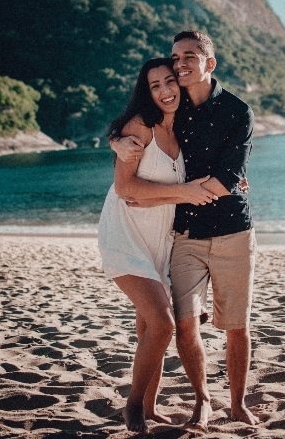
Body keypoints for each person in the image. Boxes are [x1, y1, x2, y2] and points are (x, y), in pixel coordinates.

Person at [111, 31, 259, 430]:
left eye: (188, 57)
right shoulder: (173, 109)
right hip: (185, 235)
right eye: (175, 58)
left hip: (231, 231)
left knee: (236, 324)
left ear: (209, 63)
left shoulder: (237, 111)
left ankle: (238, 403)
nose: (179, 66)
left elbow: (229, 176)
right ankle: (202, 401)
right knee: (183, 323)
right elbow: (135, 127)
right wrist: (114, 140)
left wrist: (191, 193)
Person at [98, 57, 218, 434]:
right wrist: (183, 193)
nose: (166, 90)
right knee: (163, 324)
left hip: (159, 239)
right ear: (146, 92)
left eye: (170, 81)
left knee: (148, 324)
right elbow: (125, 188)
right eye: (155, 85)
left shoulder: (181, 128)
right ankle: (133, 405)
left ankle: (149, 406)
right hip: (125, 234)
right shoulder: (140, 127)